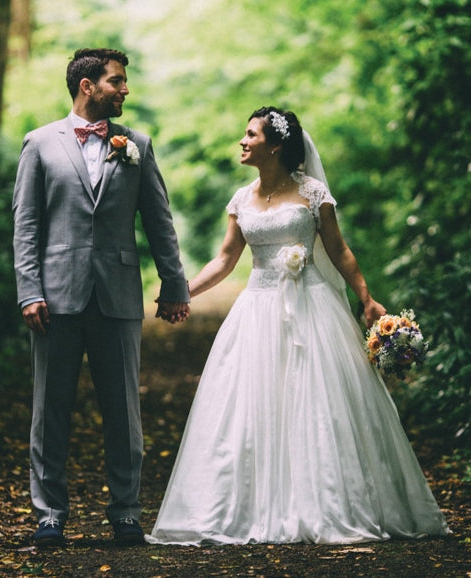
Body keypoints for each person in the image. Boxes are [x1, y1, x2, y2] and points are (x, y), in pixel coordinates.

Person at [148, 107, 449, 545]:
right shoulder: (240, 199)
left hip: (311, 308)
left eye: (250, 134)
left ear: (275, 146)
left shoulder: (313, 193)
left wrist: (366, 298)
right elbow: (226, 259)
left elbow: (339, 250)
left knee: (318, 403)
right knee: (252, 405)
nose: (242, 141)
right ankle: (251, 504)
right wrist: (184, 291)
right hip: (257, 310)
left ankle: (325, 501)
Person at [12, 48, 190, 548]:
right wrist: (29, 290)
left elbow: (159, 221)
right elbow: (26, 226)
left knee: (123, 410)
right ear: (88, 86)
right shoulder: (40, 143)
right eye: (117, 81)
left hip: (118, 295)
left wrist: (173, 285)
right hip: (54, 297)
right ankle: (49, 515)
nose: (125, 89)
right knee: (50, 409)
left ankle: (126, 512)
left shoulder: (138, 144)